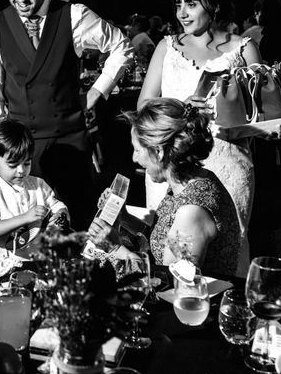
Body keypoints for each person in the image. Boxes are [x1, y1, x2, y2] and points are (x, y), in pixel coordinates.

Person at [0, 0, 133, 231]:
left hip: (70, 143)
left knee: (76, 226)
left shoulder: (74, 16)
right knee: (30, 235)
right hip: (24, 152)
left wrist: (95, 93)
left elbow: (122, 47)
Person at [138, 0, 260, 276]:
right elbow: (143, 105)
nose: (182, 13)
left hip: (228, 161)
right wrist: (181, 107)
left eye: (191, 4)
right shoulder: (167, 48)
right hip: (173, 163)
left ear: (214, 4)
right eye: (178, 5)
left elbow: (263, 111)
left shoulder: (244, 49)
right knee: (172, 251)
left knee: (224, 254)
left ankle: (227, 310)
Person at [88, 99, 241, 276]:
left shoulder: (191, 212)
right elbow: (163, 239)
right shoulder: (194, 181)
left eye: (137, 150)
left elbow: (171, 283)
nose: (134, 159)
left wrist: (114, 248)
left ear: (159, 152)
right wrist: (125, 217)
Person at [0, 119, 68, 262]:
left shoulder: (38, 184)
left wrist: (60, 216)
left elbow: (58, 207)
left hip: (41, 260)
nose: (21, 171)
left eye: (27, 163)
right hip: (9, 265)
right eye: (13, 165)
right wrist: (25, 218)